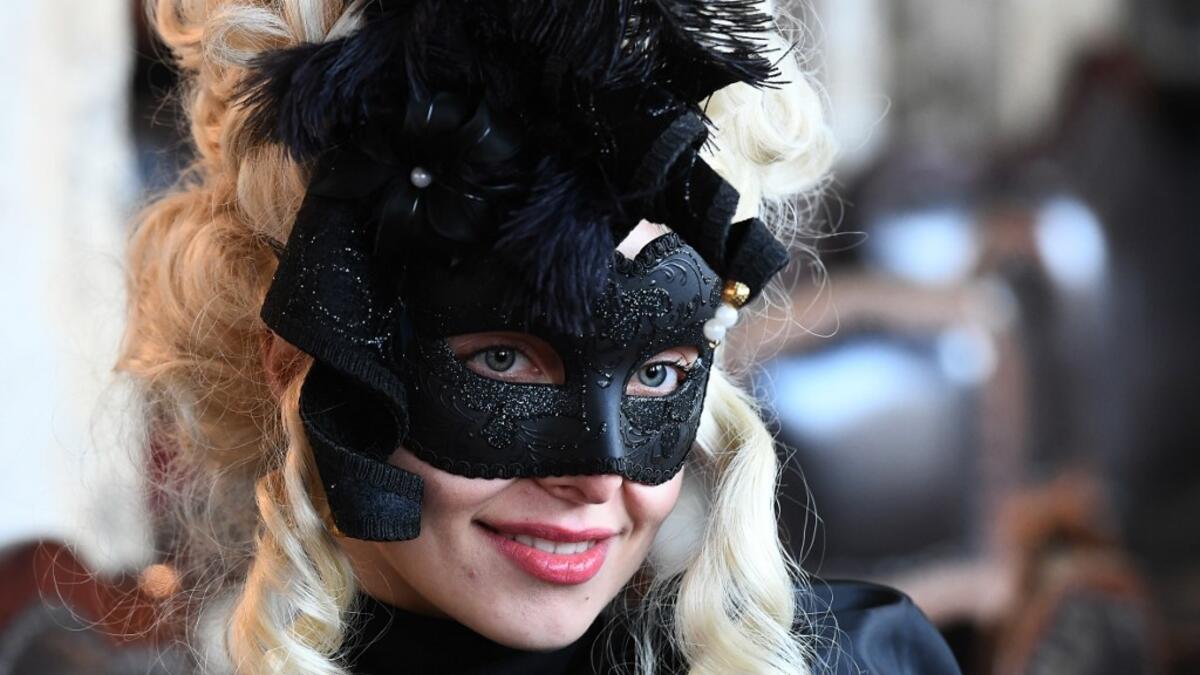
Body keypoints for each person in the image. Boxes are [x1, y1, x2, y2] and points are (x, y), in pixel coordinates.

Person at [118, 0, 961, 673]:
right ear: (299, 360)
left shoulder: (863, 662)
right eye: (505, 359)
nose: (596, 476)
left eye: (658, 373)